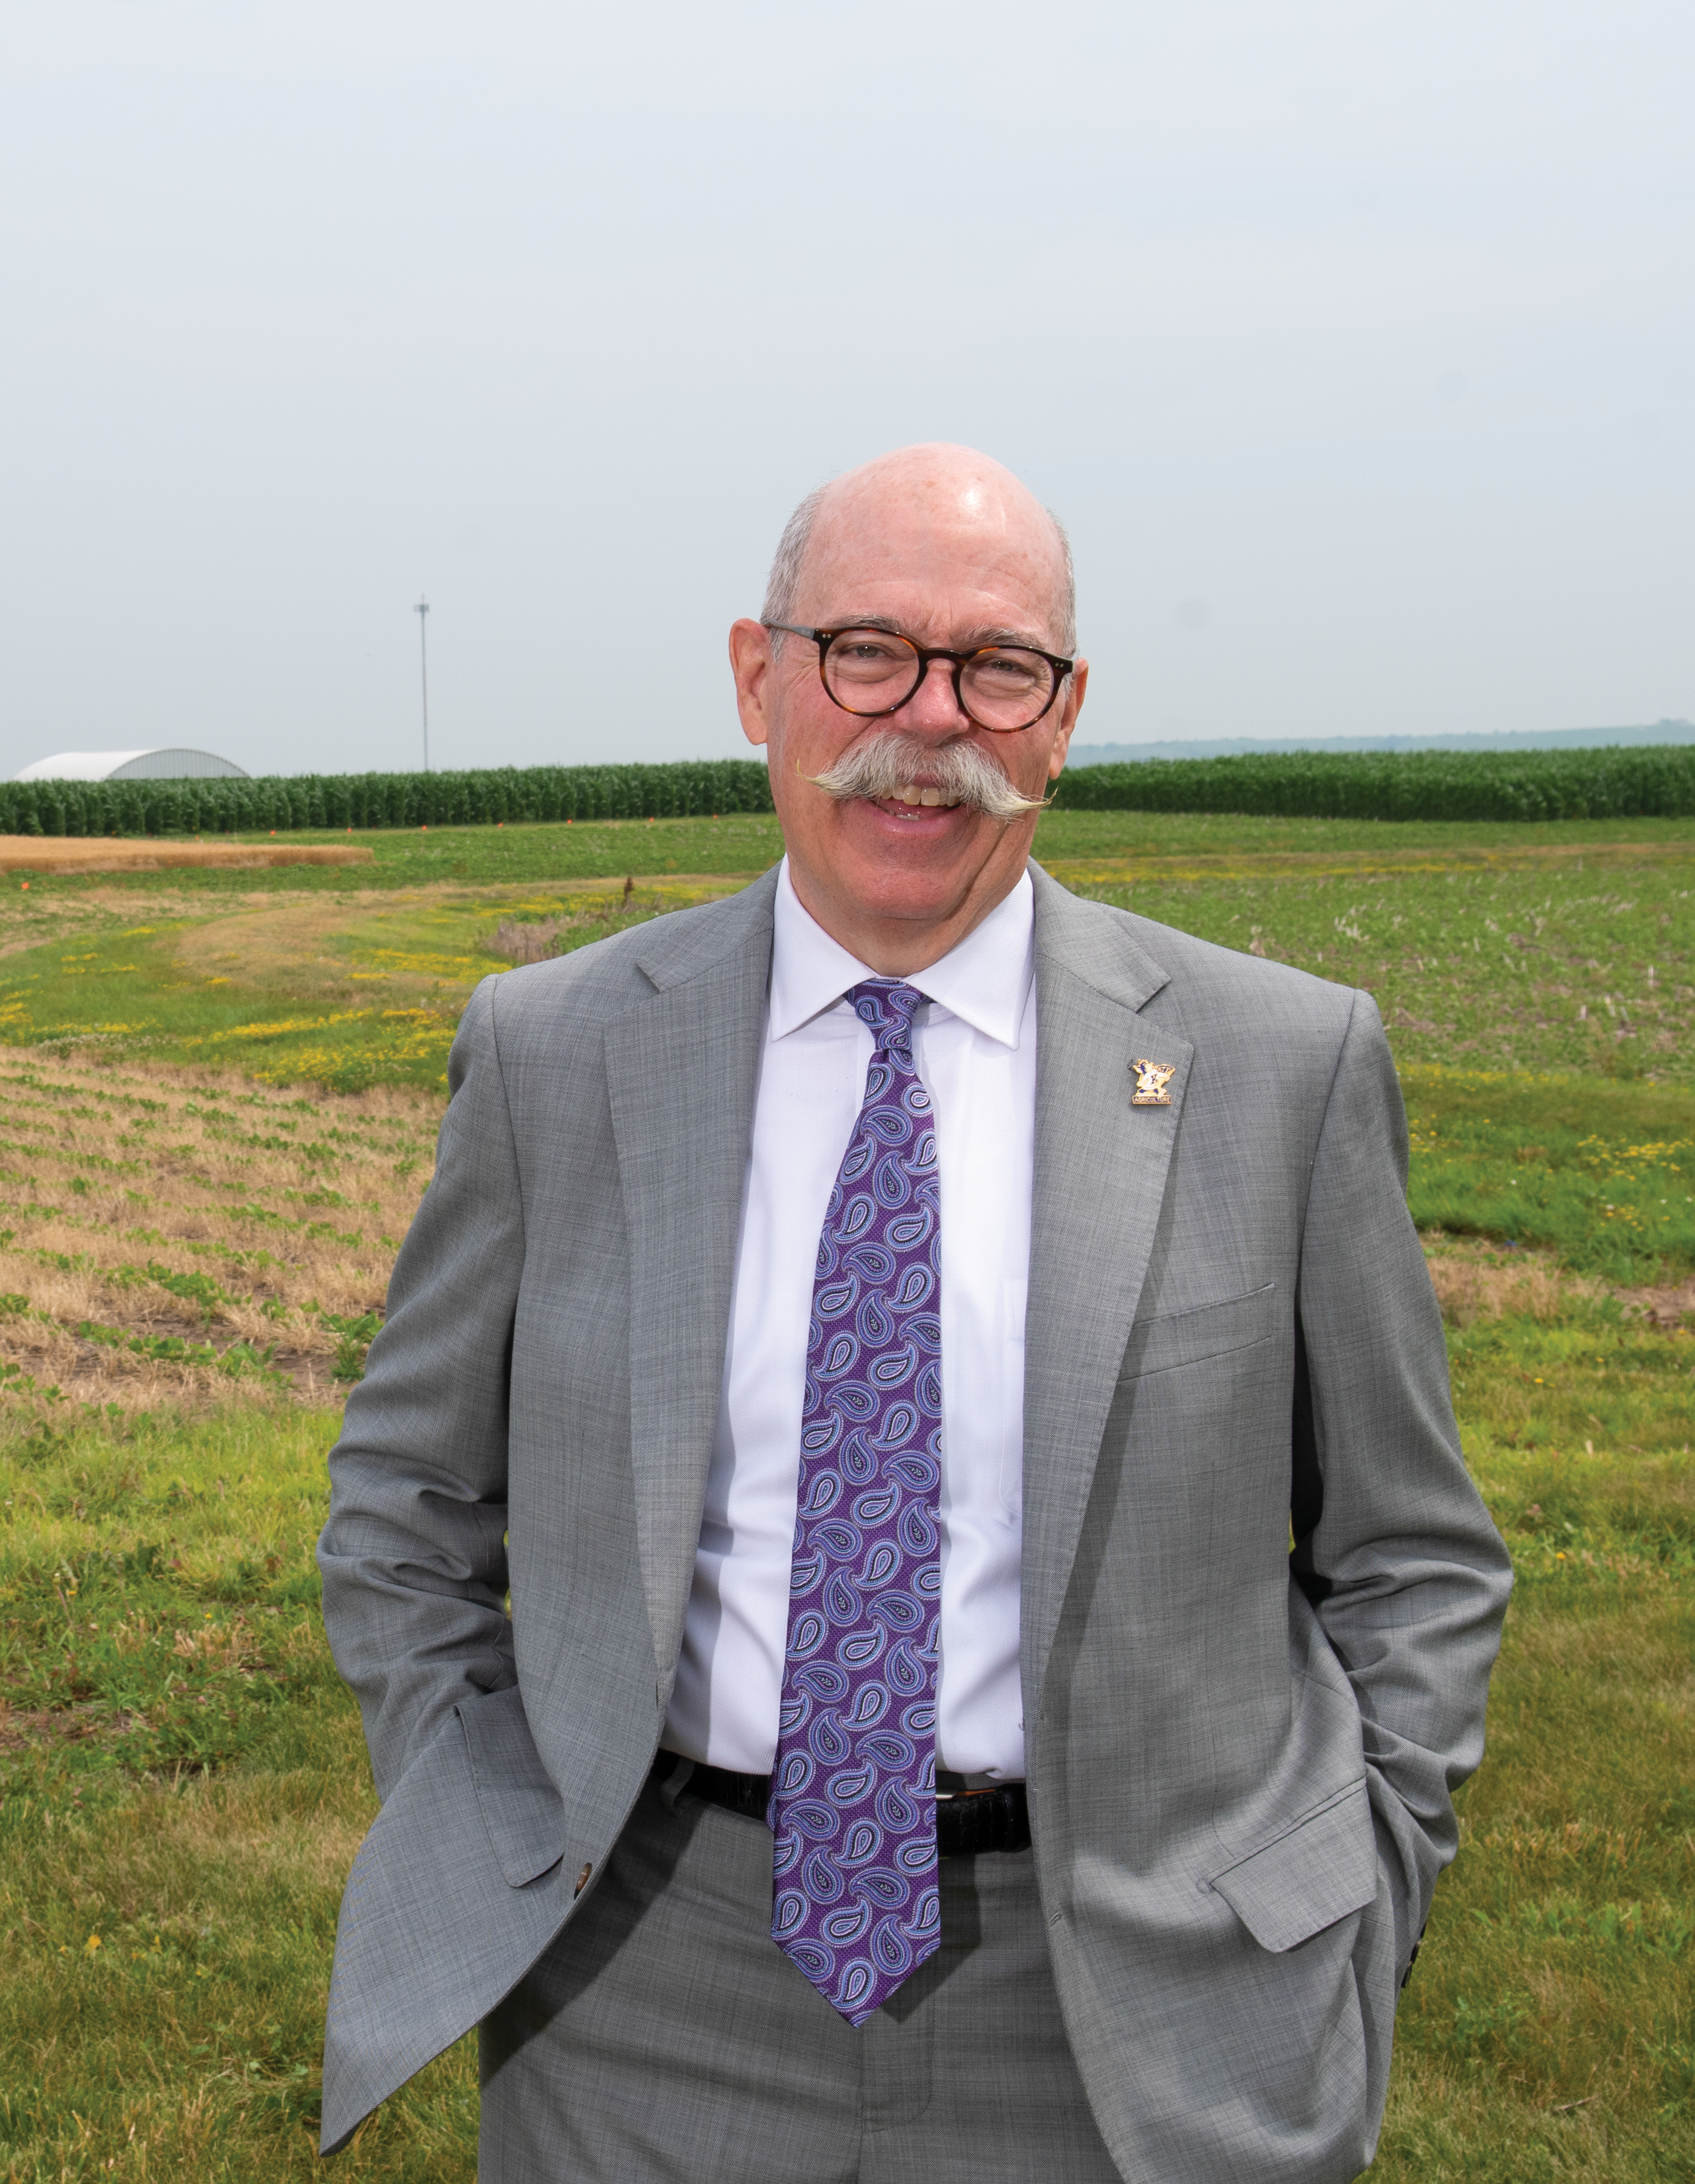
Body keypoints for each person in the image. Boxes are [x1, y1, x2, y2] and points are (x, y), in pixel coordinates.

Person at [315, 444, 1511, 2181]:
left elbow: (1416, 1556)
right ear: (758, 676)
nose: (928, 718)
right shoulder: (556, 1052)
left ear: (1064, 713)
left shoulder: (1279, 1064)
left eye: (996, 666)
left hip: (1132, 1997)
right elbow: (403, 1501)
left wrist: (1359, 1886)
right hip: (642, 1993)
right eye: (866, 649)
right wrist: (488, 1810)